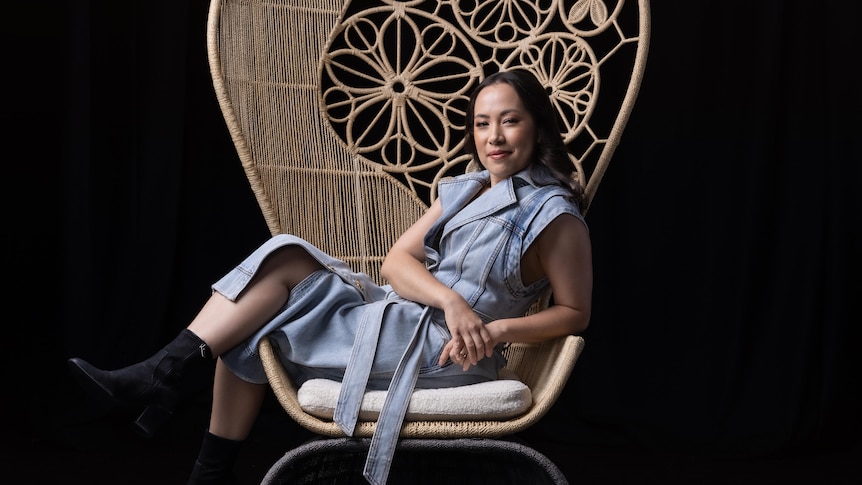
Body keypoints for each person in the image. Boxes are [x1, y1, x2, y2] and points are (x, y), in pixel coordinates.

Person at [67, 68, 593, 485]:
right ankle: (170, 384)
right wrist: (451, 300)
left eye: (510, 120)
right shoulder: (469, 188)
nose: (493, 137)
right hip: (408, 314)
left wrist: (494, 329)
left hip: (445, 351)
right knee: (283, 255)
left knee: (251, 318)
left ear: (538, 125)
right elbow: (395, 263)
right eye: (482, 123)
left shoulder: (554, 215)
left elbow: (575, 312)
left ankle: (182, 418)